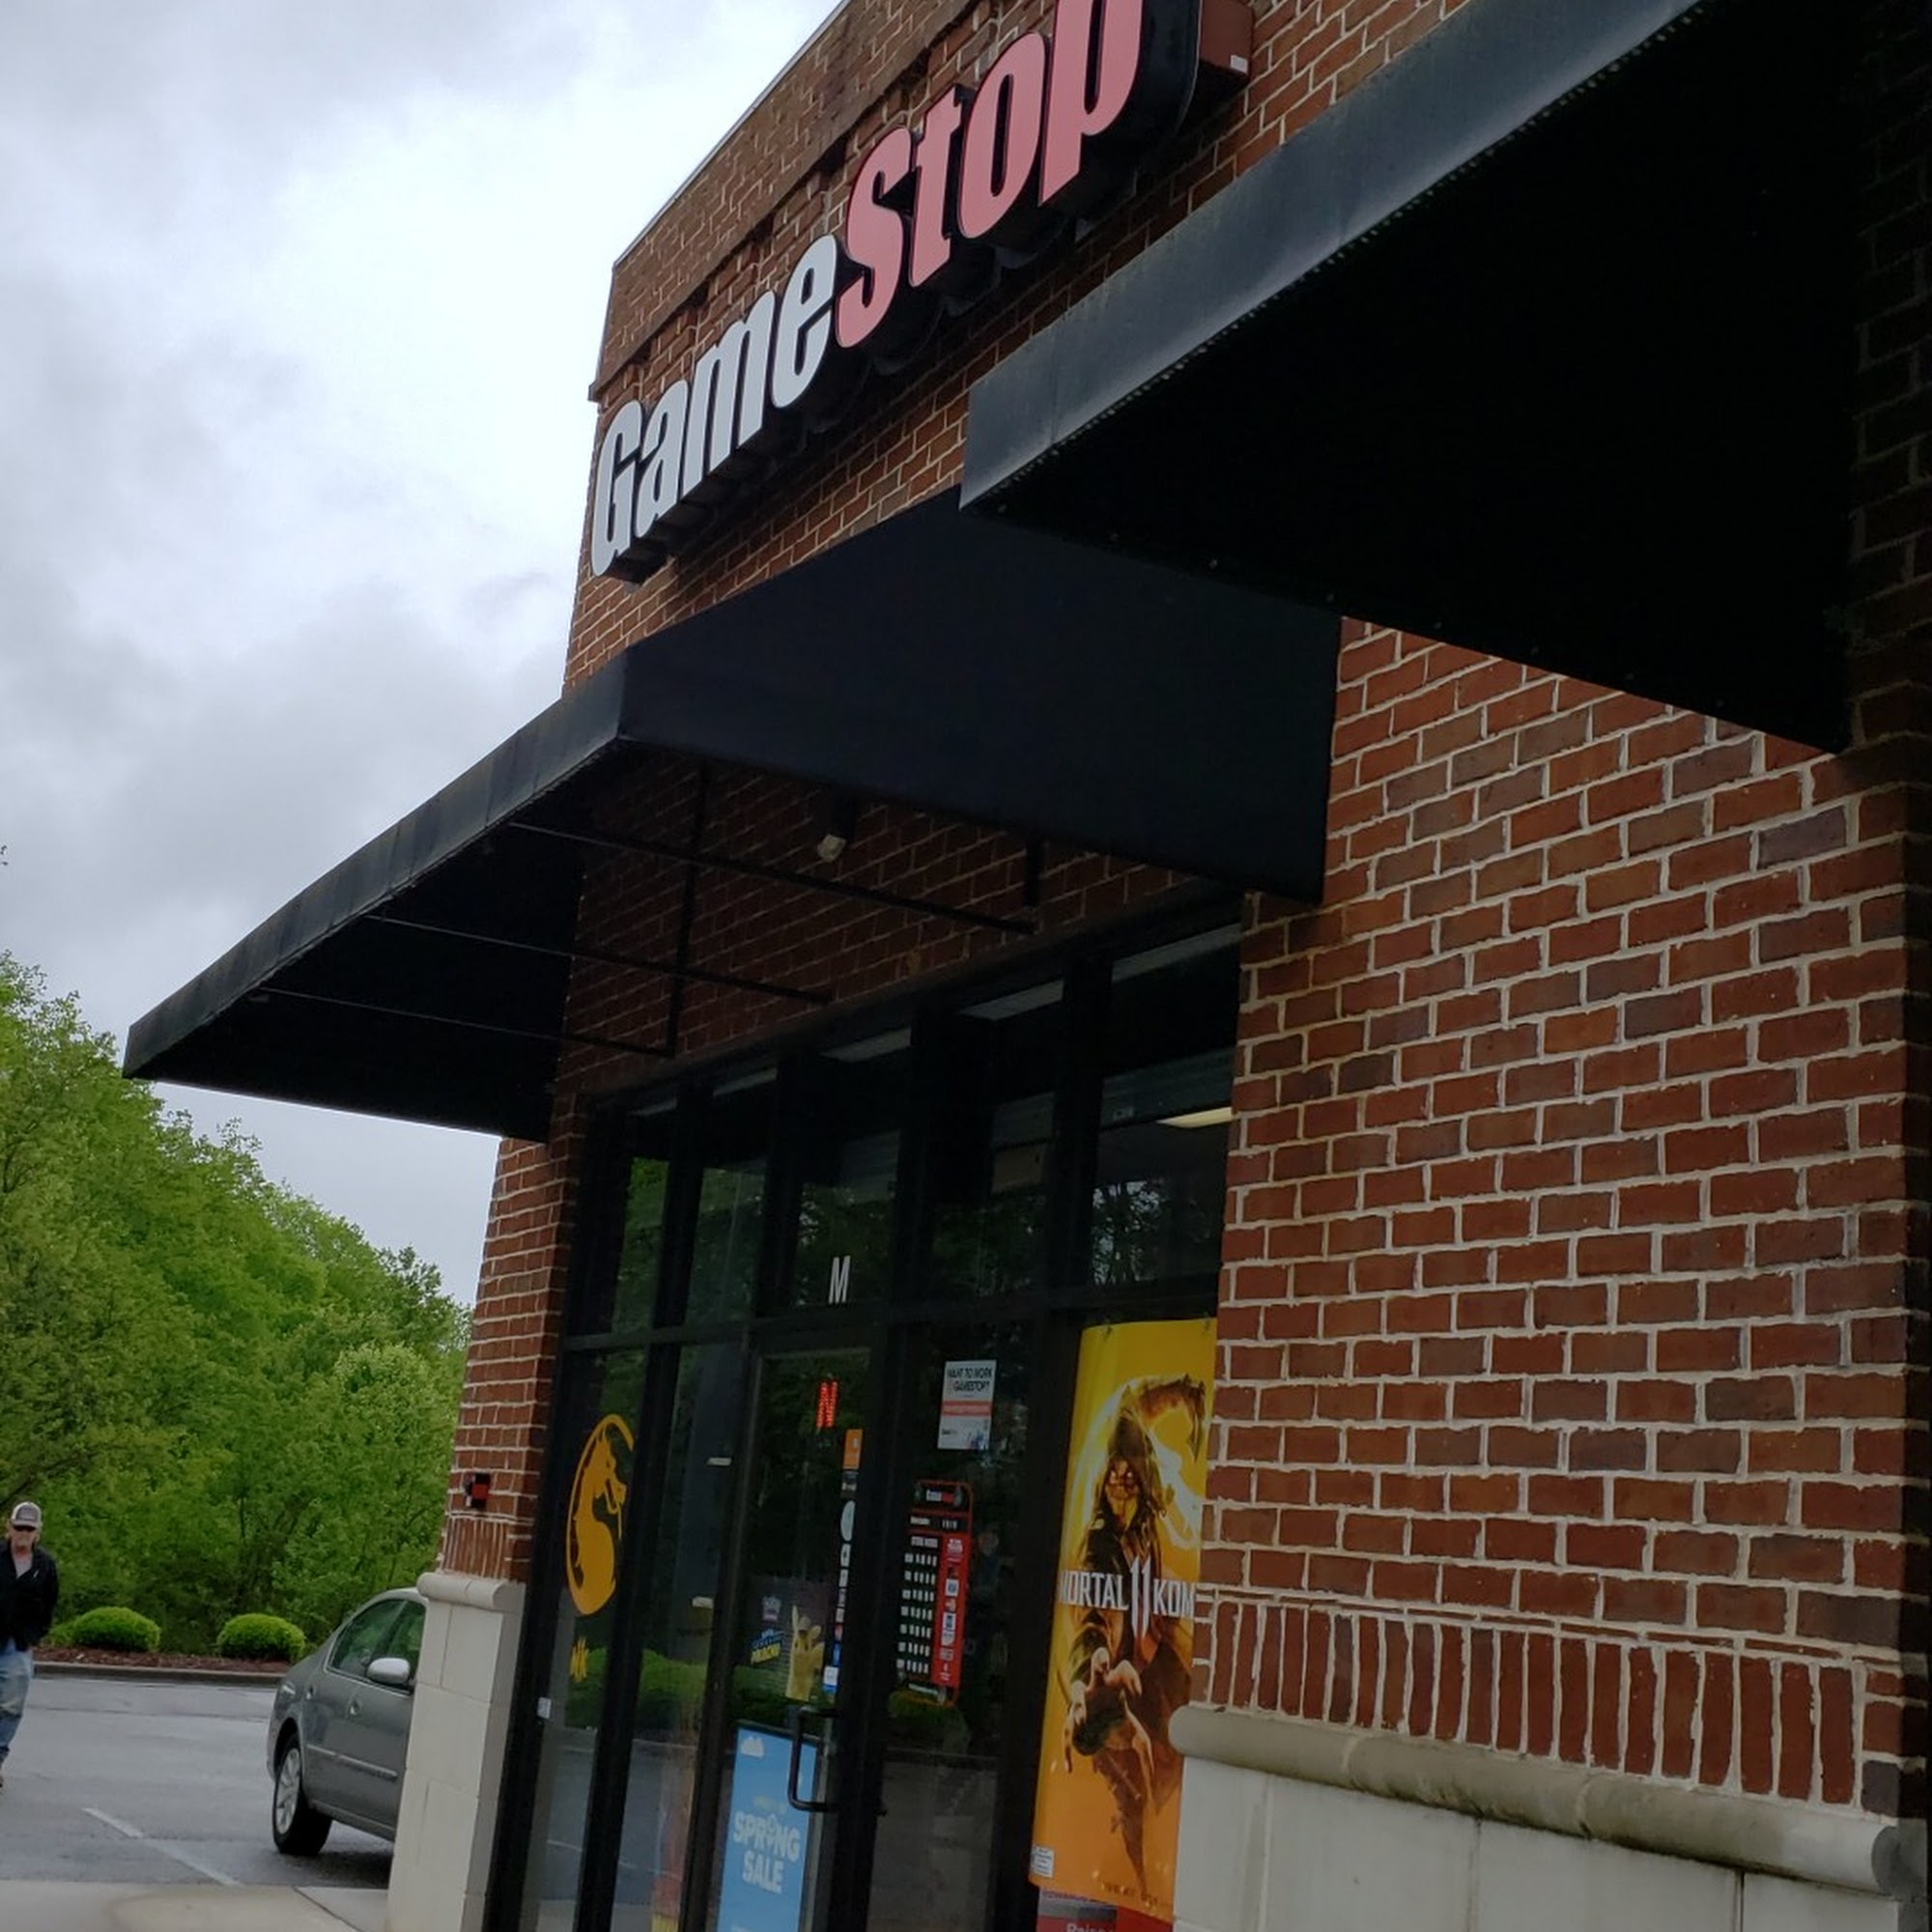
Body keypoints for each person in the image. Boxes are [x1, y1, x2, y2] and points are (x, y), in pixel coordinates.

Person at [1060, 1376, 1205, 1889]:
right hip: (1119, 1688)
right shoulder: (1099, 1545)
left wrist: (1182, 1396)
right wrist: (1089, 1674)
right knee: (1133, 1796)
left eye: (1129, 1475)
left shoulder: (1144, 1521)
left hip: (1153, 1661)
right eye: (1113, 1475)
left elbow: (1133, 1408)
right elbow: (1092, 1620)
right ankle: (1140, 1880)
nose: (1120, 1484)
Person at [0, 1500, 60, 1788]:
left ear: (38, 1532)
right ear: (8, 1527)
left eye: (29, 1529)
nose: (23, 1533)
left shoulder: (45, 1566)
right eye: (19, 1527)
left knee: (11, 1704)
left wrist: (35, 1635)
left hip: (18, 1643)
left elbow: (49, 1603)